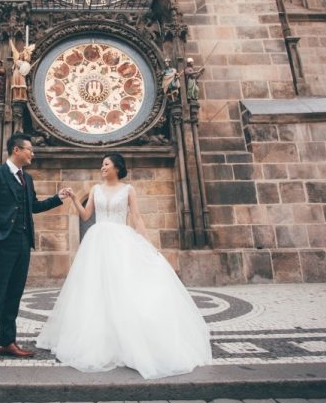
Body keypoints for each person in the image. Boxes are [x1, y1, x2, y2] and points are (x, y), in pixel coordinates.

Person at [36, 153, 212, 379]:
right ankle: (100, 338)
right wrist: (72, 199)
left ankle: (128, 338)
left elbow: (136, 218)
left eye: (106, 164)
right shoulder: (95, 189)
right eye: (101, 164)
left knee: (123, 287)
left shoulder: (129, 189)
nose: (102, 167)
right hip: (97, 241)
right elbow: (87, 214)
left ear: (117, 168)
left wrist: (149, 244)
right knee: (96, 289)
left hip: (121, 240)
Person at [0, 133, 68, 372]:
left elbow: (34, 207)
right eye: (29, 149)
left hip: (22, 245)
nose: (32, 153)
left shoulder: (26, 178)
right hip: (2, 245)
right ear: (16, 150)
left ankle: (7, 342)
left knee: (13, 296)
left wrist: (57, 199)